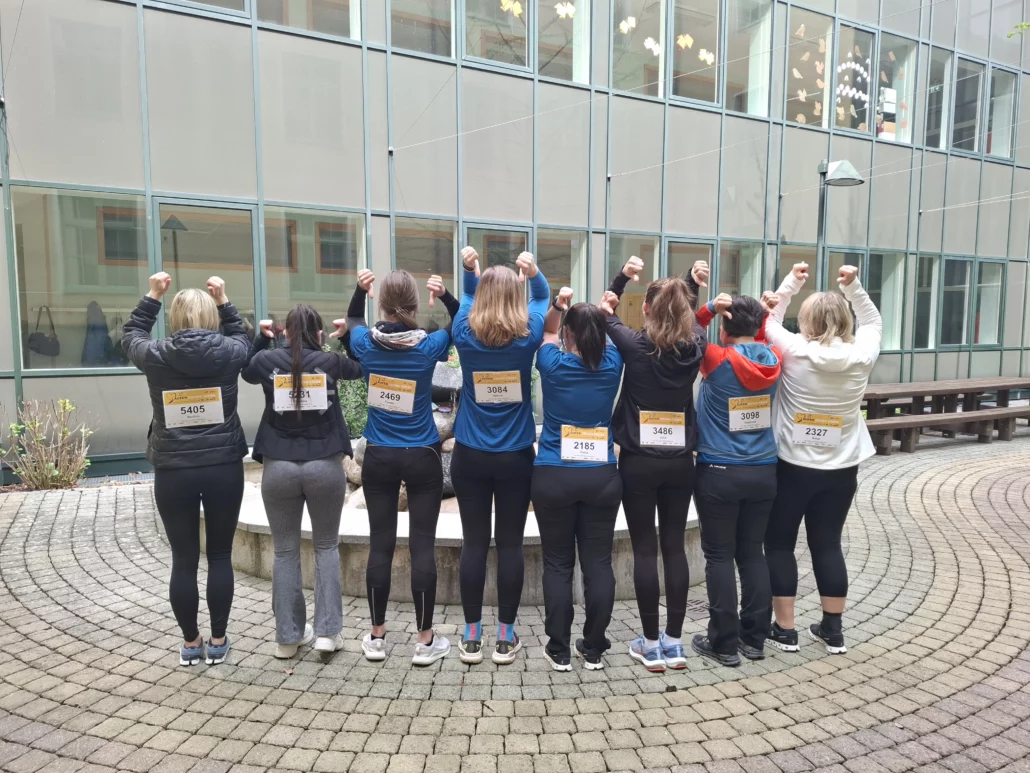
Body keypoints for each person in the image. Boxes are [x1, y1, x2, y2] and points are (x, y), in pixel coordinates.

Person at [122, 273, 249, 667]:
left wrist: (152, 295)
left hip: (173, 469)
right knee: (221, 555)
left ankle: (191, 643)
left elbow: (131, 334)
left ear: (174, 318)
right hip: (223, 466)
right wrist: (224, 299)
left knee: (183, 558)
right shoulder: (230, 352)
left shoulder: (155, 355)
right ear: (212, 317)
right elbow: (243, 336)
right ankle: (218, 640)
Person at [339, 268, 458, 666]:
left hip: (379, 455)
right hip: (422, 453)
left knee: (381, 544)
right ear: (413, 304)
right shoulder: (428, 346)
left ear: (383, 305)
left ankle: (376, 637)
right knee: (422, 545)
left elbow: (352, 320)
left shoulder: (365, 344)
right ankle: (425, 641)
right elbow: (460, 323)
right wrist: (445, 295)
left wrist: (360, 291)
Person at [762, 263, 882, 655]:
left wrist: (792, 283)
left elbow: (769, 319)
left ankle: (785, 629)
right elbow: (872, 320)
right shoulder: (862, 354)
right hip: (842, 466)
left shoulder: (794, 350)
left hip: (792, 465)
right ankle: (833, 629)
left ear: (807, 321)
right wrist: (854, 287)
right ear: (845, 320)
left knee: (779, 543)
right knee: (827, 544)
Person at [598, 257, 706, 673]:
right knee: (674, 546)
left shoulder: (633, 344)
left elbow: (605, 309)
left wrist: (621, 278)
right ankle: (674, 643)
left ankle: (648, 642)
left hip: (639, 462)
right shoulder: (696, 345)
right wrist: (691, 284)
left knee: (644, 548)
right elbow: (693, 318)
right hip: (680, 463)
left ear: (645, 309)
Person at [242, 304, 363, 660]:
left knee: (284, 551)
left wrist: (259, 340)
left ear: (285, 332)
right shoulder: (330, 362)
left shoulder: (267, 362)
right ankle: (327, 633)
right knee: (325, 547)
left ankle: (287, 637)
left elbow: (245, 370)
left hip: (279, 467)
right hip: (324, 465)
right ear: (319, 333)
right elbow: (362, 368)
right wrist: (348, 339)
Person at [451, 247, 549, 665]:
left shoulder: (463, 334)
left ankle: (472, 635)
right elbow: (542, 298)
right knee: (510, 545)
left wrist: (469, 271)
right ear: (515, 298)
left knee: (474, 543)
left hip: (470, 454)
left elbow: (467, 298)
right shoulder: (528, 336)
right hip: (515, 457)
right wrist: (535, 272)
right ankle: (506, 637)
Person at [532, 287, 624, 671]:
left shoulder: (552, 363)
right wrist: (608, 308)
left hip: (553, 474)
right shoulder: (613, 362)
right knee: (598, 563)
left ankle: (558, 648)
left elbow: (546, 332)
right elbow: (615, 335)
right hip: (601, 476)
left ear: (568, 334)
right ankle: (594, 646)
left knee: (557, 564)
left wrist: (558, 306)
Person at [689, 292, 782, 667]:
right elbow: (757, 340)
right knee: (752, 553)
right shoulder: (772, 358)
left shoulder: (716, 358)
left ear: (725, 326)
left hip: (719, 470)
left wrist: (709, 309)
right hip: (763, 469)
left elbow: (690, 330)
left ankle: (724, 644)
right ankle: (754, 639)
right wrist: (761, 315)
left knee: (719, 557)